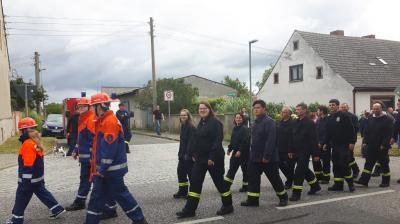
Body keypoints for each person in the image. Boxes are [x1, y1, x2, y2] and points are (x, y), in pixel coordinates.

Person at [85, 93, 147, 224]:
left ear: (100, 106)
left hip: (110, 170)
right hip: (105, 170)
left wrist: (101, 169)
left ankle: (139, 219)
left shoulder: (109, 122)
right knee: (97, 197)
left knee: (120, 194)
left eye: (93, 107)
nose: (91, 110)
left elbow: (108, 151)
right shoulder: (103, 120)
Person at [176, 102, 233, 218]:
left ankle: (228, 205)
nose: (202, 110)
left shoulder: (215, 123)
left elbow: (217, 141)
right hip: (200, 159)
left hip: (213, 159)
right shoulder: (201, 122)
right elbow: (197, 140)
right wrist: (194, 154)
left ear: (209, 109)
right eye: (200, 108)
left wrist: (211, 157)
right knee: (195, 184)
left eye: (204, 108)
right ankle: (189, 210)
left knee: (220, 183)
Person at [7, 118, 65, 224]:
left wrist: (25, 183)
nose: (20, 133)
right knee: (42, 193)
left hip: (29, 179)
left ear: (24, 131)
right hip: (37, 178)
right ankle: (57, 208)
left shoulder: (27, 144)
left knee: (21, 197)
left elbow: (28, 165)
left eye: (20, 131)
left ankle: (16, 219)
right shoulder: (35, 141)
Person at [240, 100, 288, 207]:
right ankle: (253, 200)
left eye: (258, 107)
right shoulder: (255, 122)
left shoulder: (269, 122)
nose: (256, 110)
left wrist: (267, 156)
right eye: (254, 108)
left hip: (268, 158)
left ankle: (283, 197)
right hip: (254, 157)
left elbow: (271, 140)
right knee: (252, 179)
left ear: (264, 109)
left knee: (274, 178)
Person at [65, 97, 95, 211]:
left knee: (91, 181)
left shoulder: (90, 119)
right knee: (85, 179)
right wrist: (76, 150)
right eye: (79, 106)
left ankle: (82, 202)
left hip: (90, 158)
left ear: (89, 107)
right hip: (85, 158)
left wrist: (93, 157)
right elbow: (80, 138)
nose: (81, 108)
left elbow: (93, 140)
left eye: (83, 106)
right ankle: (80, 201)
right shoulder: (82, 119)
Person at [355, 103, 393, 188]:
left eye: (377, 109)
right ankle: (363, 180)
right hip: (371, 145)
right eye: (374, 109)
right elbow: (366, 131)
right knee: (368, 163)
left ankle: (386, 181)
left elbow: (388, 134)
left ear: (381, 109)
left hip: (382, 146)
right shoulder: (370, 118)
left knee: (384, 164)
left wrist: (384, 144)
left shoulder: (387, 119)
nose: (375, 110)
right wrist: (365, 142)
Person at [288, 103, 321, 201]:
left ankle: (296, 194)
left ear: (304, 110)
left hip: (305, 151)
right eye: (296, 109)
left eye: (299, 109)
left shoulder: (309, 123)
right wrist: (290, 149)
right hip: (296, 150)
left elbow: (313, 139)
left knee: (299, 172)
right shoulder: (295, 122)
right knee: (304, 170)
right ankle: (315, 186)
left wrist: (315, 154)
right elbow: (291, 137)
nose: (297, 111)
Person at [325, 99, 355, 192]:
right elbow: (328, 133)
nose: (331, 106)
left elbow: (351, 129)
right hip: (334, 145)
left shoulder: (344, 116)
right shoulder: (329, 117)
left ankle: (351, 184)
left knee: (344, 164)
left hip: (344, 144)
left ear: (338, 106)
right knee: (336, 164)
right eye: (330, 105)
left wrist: (352, 142)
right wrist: (326, 143)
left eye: (333, 105)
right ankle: (338, 185)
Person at [224, 113, 250, 192]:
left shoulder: (244, 129)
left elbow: (245, 141)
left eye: (240, 118)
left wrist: (240, 150)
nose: (238, 119)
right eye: (237, 118)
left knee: (245, 170)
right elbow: (233, 141)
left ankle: (245, 187)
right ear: (235, 119)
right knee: (232, 169)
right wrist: (229, 149)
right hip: (235, 152)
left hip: (243, 153)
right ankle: (226, 186)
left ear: (243, 119)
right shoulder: (235, 128)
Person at [174, 109, 196, 199]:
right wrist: (180, 154)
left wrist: (188, 155)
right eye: (181, 115)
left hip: (189, 156)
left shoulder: (191, 126)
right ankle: (182, 191)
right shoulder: (183, 126)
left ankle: (191, 193)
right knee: (181, 173)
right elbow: (182, 142)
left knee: (191, 175)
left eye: (184, 115)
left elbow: (192, 142)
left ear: (188, 116)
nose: (183, 117)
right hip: (182, 155)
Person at [339, 103, 360, 179]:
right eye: (342, 107)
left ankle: (355, 170)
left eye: (344, 107)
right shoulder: (339, 116)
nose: (343, 108)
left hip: (350, 140)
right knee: (344, 157)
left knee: (349, 156)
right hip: (341, 140)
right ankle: (346, 172)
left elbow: (356, 129)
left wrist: (352, 141)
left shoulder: (353, 116)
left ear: (348, 108)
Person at [276, 106, 295, 189]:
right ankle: (291, 178)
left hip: (289, 149)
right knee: (280, 164)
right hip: (280, 148)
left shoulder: (293, 123)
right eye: (282, 112)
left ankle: (289, 182)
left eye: (285, 112)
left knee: (290, 166)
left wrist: (291, 149)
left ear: (289, 113)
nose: (283, 113)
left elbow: (292, 137)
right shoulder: (280, 122)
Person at [312, 105, 331, 184]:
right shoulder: (318, 120)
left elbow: (328, 133)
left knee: (326, 161)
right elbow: (316, 132)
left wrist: (323, 143)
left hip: (325, 145)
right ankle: (319, 177)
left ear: (322, 111)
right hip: (317, 144)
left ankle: (326, 178)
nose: (317, 112)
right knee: (316, 160)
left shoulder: (328, 120)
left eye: (318, 110)